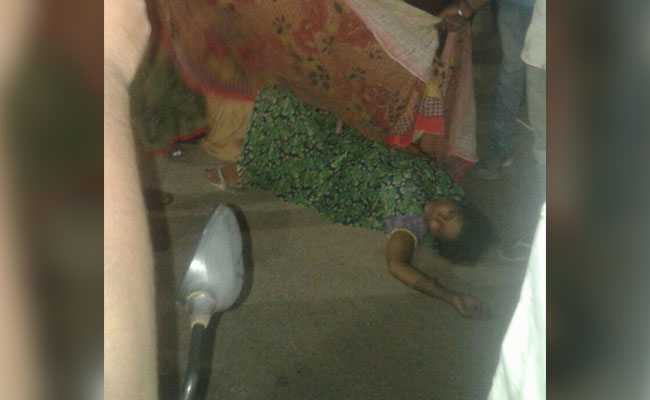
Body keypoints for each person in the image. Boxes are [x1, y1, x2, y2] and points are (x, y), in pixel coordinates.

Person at [220, 86, 494, 319]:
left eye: (439, 227)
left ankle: (245, 171)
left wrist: (449, 296)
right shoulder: (445, 187)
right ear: (459, 204)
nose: (438, 217)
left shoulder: (410, 219)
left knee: (278, 103)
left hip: (330, 177)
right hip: (354, 145)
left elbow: (397, 265)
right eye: (449, 213)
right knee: (306, 92)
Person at [438, 0, 536, 180]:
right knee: (511, 75)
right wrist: (466, 7)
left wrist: (467, 7)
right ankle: (501, 147)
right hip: (515, 6)